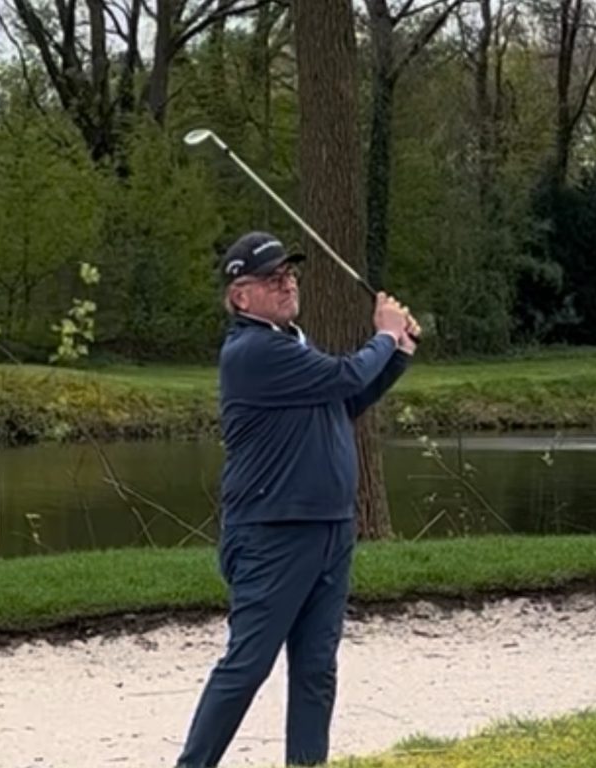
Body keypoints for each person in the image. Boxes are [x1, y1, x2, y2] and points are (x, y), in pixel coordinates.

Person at [175, 231, 421, 768]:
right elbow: (346, 374)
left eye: (289, 274)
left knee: (316, 669)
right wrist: (385, 333)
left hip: (329, 527)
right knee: (248, 666)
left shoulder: (292, 343)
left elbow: (345, 400)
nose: (287, 284)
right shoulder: (253, 352)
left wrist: (399, 352)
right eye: (271, 279)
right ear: (241, 296)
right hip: (273, 532)